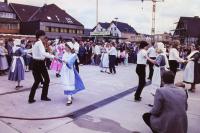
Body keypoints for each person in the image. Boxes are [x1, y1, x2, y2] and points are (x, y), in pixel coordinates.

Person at [28, 30, 55, 104]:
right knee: (47, 80)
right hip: (40, 63)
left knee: (37, 81)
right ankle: (43, 96)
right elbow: (43, 53)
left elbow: (31, 51)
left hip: (35, 63)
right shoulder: (39, 43)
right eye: (43, 35)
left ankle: (31, 98)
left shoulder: (36, 43)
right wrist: (53, 56)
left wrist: (24, 51)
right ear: (40, 36)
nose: (44, 37)